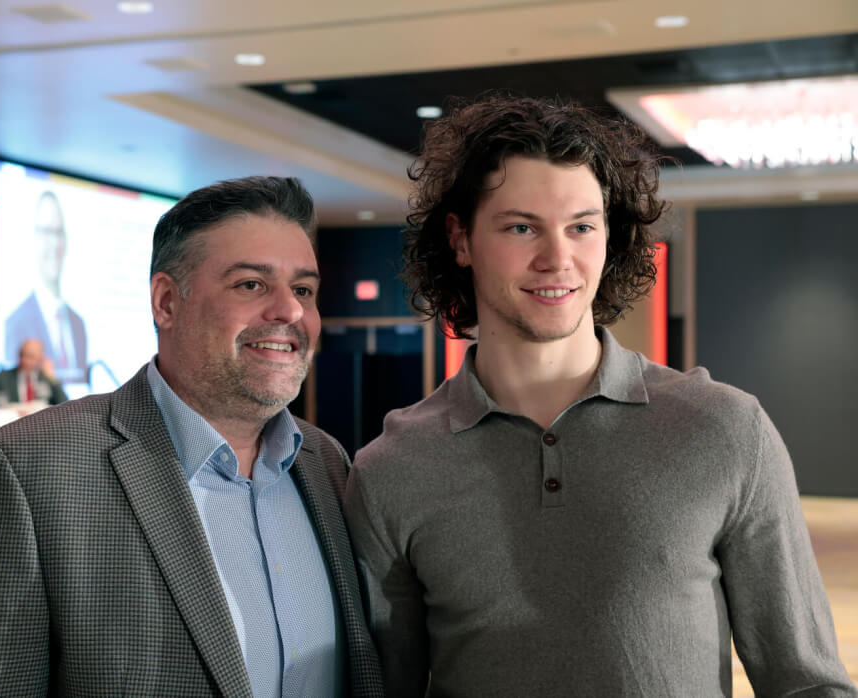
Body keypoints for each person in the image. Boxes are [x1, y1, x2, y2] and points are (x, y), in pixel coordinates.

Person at [344, 94, 856, 696]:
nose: (557, 259)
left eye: (581, 227)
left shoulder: (725, 428)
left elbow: (807, 685)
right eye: (521, 227)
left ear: (609, 237)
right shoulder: (392, 469)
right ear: (460, 239)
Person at [0, 176, 384, 696]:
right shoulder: (27, 473)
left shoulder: (325, 462)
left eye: (303, 290)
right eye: (251, 284)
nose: (290, 311)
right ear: (166, 302)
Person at [4, 190, 88, 383]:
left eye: (58, 233)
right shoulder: (16, 322)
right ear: (34, 238)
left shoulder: (78, 324)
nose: (53, 243)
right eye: (45, 232)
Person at [0, 337, 68, 407]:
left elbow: (64, 405)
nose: (25, 360)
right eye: (22, 355)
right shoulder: (2, 378)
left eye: (30, 356)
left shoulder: (47, 378)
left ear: (40, 358)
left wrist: (51, 378)